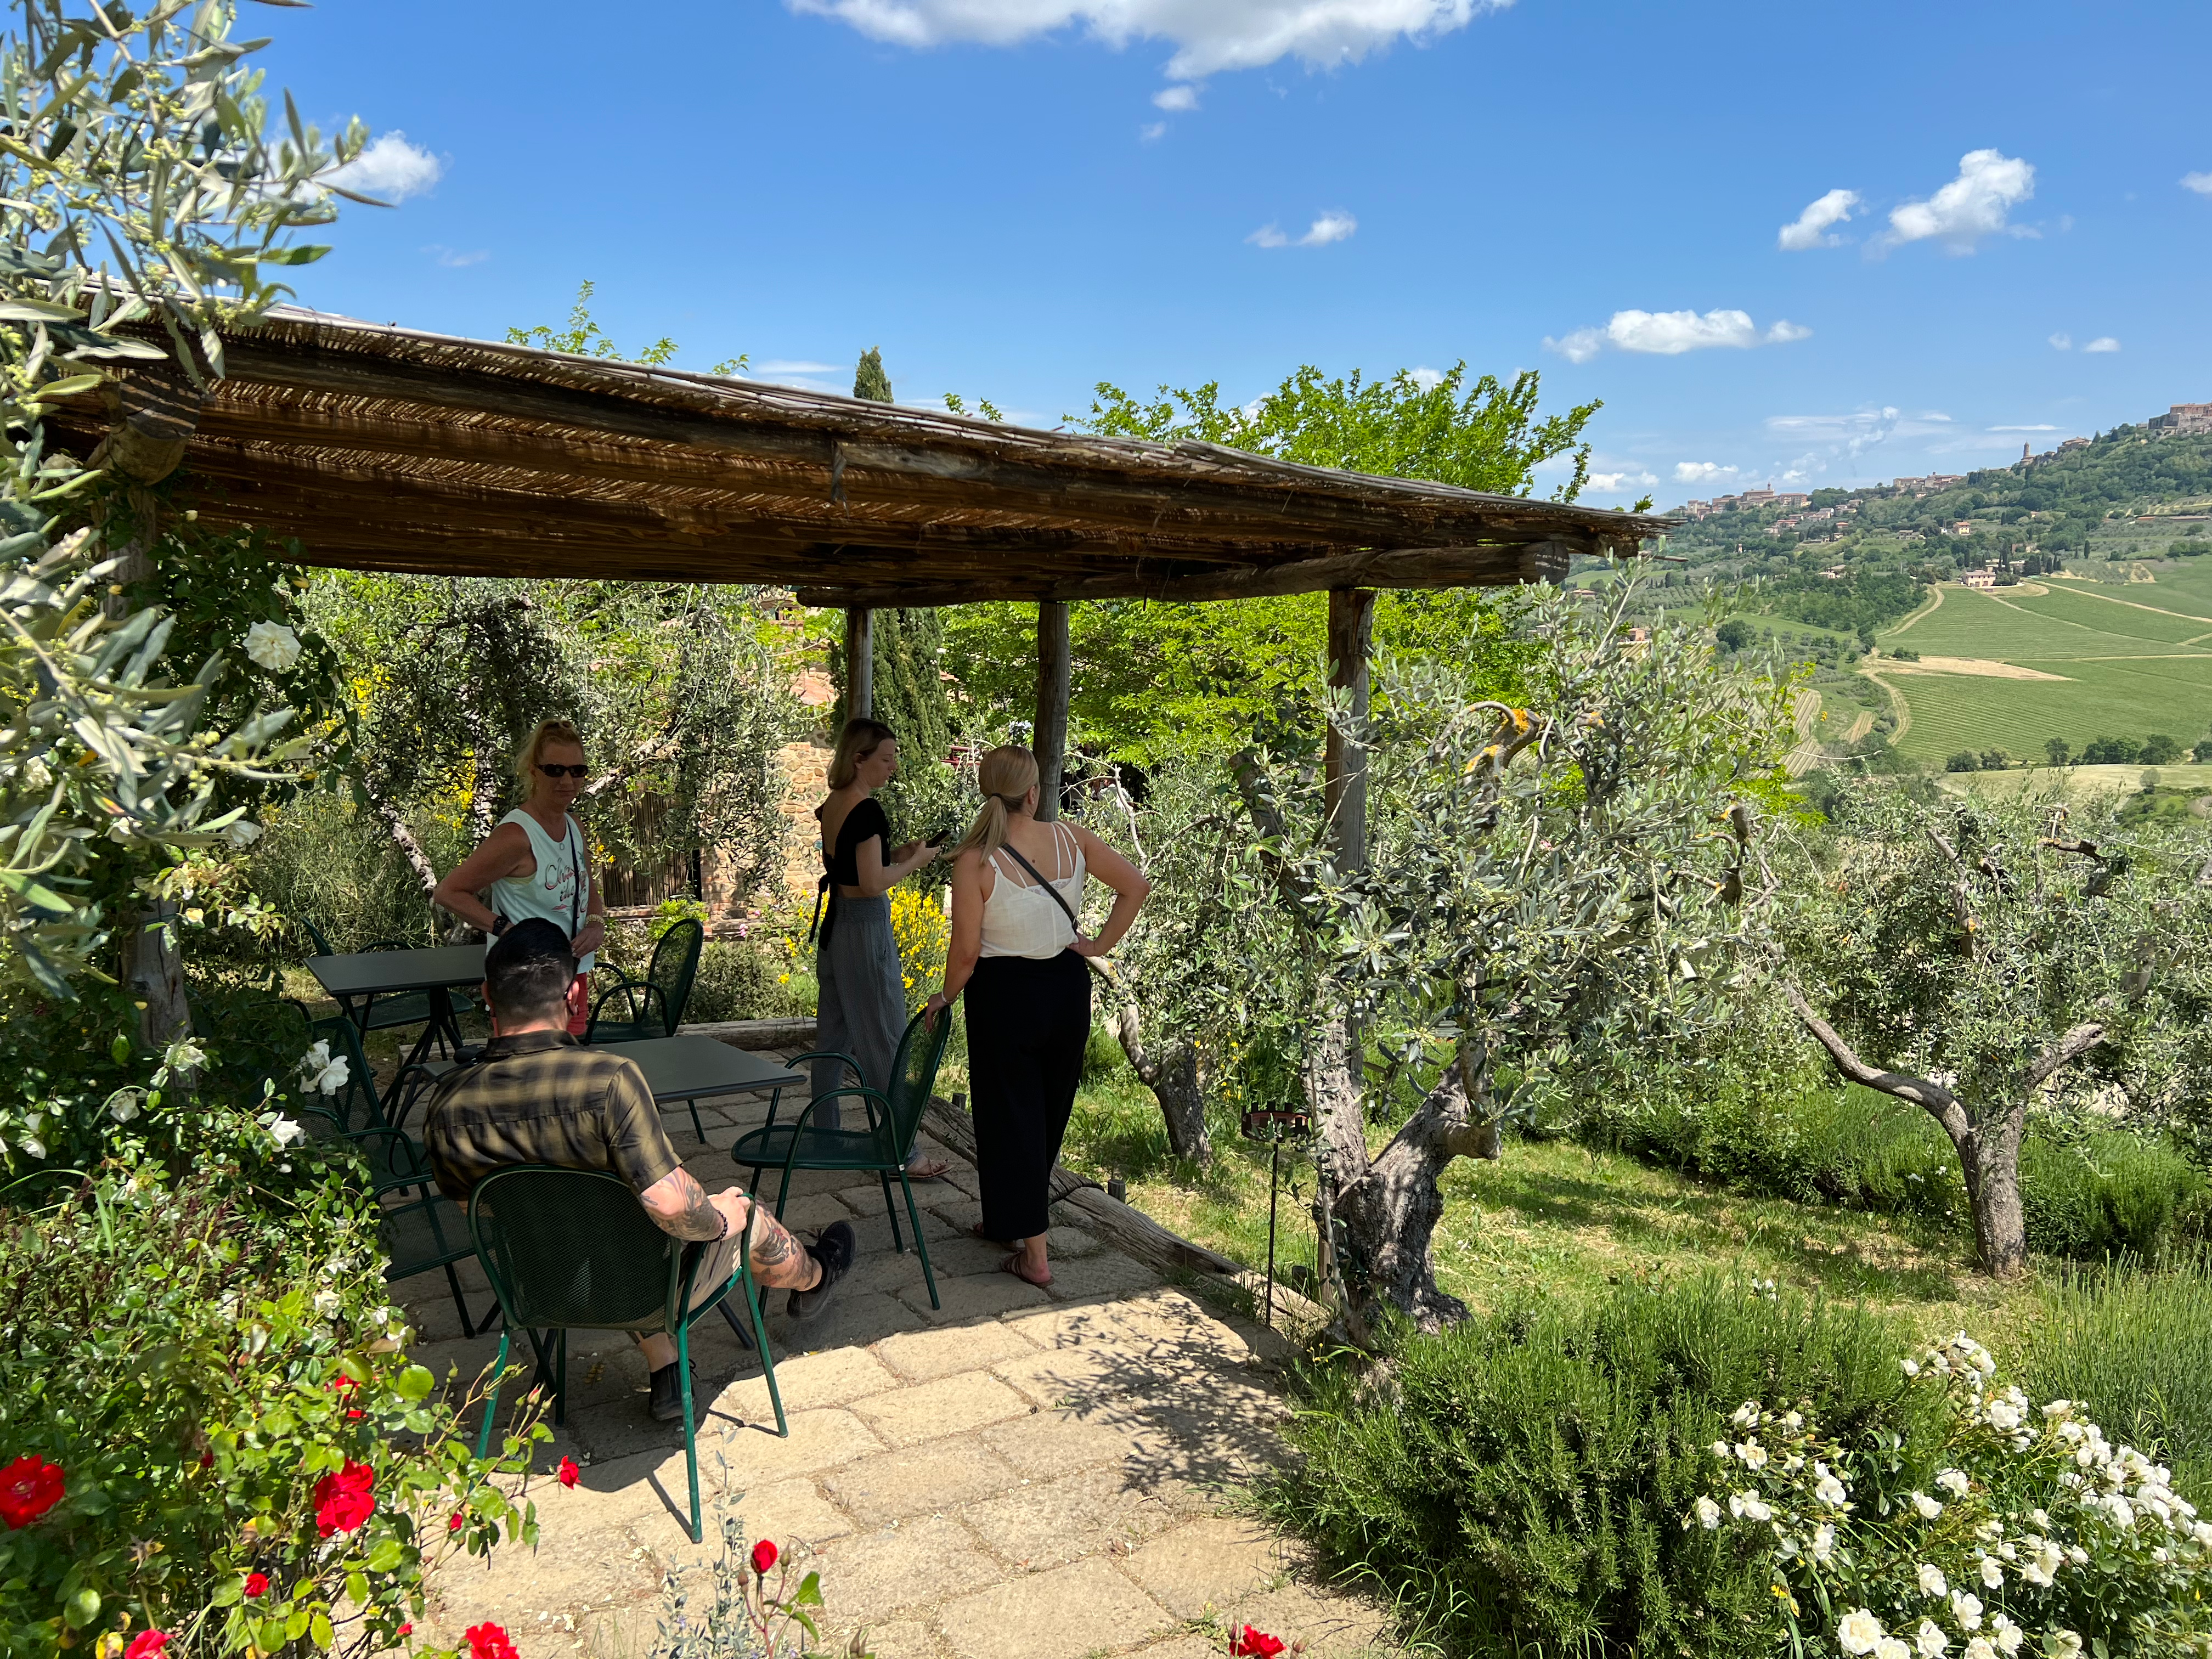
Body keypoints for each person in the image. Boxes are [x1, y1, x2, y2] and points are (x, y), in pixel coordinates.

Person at [422, 920, 856, 1421]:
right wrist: (722, 1218)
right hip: (641, 1290)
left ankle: (667, 1369)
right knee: (744, 1212)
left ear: (486, 996)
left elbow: (478, 1211)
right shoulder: (608, 1080)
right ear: (576, 992)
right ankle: (817, 1276)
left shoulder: (447, 1104)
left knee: (600, 1229)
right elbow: (670, 1204)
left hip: (539, 1291)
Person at [925, 745, 1148, 1286]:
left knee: (1009, 1118)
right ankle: (1009, 1223)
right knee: (1045, 1115)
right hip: (1066, 988)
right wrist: (1096, 944)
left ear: (988, 791)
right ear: (1033, 792)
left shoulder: (975, 860)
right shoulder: (1073, 838)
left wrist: (944, 997)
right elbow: (1135, 887)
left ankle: (1035, 1255)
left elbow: (966, 952)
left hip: (1003, 995)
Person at [811, 716, 948, 1176]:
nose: (892, 767)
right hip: (864, 932)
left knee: (832, 1042)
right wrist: (920, 862)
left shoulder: (835, 803)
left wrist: (897, 854)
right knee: (886, 1038)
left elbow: (854, 866)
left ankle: (826, 1137)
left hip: (836, 931)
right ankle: (901, 1153)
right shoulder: (868, 811)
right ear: (859, 759)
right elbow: (870, 884)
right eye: (886, 759)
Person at [433, 718, 606, 1036]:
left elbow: (588, 885)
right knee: (525, 1076)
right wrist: (506, 930)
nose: (567, 780)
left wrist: (596, 922)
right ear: (534, 771)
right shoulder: (517, 836)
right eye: (555, 770)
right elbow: (449, 892)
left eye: (577, 770)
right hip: (525, 984)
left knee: (568, 1076)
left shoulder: (574, 826)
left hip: (572, 975)